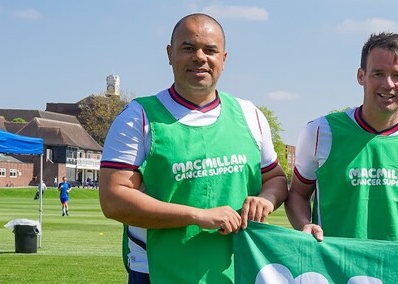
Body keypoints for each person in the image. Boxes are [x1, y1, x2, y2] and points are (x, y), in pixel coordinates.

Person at [98, 13, 288, 284]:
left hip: (238, 269)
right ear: (169, 53)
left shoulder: (250, 114)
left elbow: (276, 179)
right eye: (188, 48)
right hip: (156, 272)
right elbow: (113, 199)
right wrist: (197, 216)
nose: (200, 57)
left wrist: (265, 200)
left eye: (210, 50)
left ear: (224, 58)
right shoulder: (137, 117)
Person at [287, 32, 398, 243]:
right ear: (361, 76)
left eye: (397, 75)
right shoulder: (320, 131)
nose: (388, 84)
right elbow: (297, 194)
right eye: (378, 73)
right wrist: (304, 225)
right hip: (337, 270)